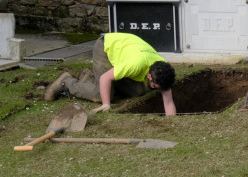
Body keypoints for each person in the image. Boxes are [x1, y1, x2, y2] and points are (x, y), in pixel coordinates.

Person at [44, 33, 177, 116]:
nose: (157, 88)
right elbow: (105, 78)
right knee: (99, 95)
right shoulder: (135, 65)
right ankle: (66, 82)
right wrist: (106, 104)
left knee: (137, 91)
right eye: (156, 86)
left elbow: (168, 100)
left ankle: (89, 77)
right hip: (106, 48)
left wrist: (172, 123)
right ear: (149, 76)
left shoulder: (161, 69)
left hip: (124, 51)